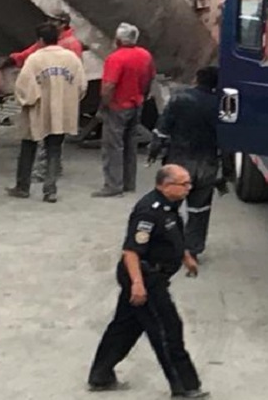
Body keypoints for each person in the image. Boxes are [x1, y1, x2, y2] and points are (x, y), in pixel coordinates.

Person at [87, 164, 208, 398]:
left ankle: (100, 375)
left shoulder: (170, 205)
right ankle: (184, 386)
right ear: (164, 185)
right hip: (145, 276)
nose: (188, 188)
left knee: (126, 325)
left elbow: (171, 235)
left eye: (188, 183)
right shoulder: (148, 212)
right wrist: (138, 284)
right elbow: (131, 251)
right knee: (167, 328)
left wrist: (185, 256)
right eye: (183, 184)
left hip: (153, 274)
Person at [148, 66, 223, 264]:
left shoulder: (180, 99)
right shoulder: (220, 105)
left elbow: (162, 130)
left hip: (179, 163)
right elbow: (227, 142)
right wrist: (227, 172)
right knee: (199, 210)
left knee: (168, 207)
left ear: (197, 79)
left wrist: (154, 152)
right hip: (207, 165)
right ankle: (192, 250)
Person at [7, 23, 86, 203]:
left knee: (28, 148)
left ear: (41, 40)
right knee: (54, 150)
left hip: (37, 110)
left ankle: (22, 187)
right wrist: (68, 100)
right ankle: (50, 190)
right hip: (61, 112)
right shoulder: (72, 59)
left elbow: (22, 86)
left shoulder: (35, 59)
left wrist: (27, 101)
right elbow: (81, 86)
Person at [92, 23, 156, 198]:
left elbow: (109, 86)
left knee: (113, 146)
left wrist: (104, 106)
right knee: (130, 144)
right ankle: (128, 182)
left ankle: (113, 185)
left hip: (117, 106)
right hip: (136, 104)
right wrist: (142, 96)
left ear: (119, 40)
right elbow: (149, 78)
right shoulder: (145, 55)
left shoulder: (116, 58)